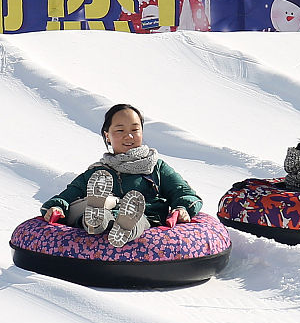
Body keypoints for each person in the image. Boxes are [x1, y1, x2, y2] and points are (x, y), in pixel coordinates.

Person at [41, 104, 202, 247]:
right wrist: (56, 207)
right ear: (107, 136)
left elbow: (184, 192)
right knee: (96, 213)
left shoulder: (155, 167)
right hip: (106, 213)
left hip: (146, 217)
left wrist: (181, 208)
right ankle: (96, 219)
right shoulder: (98, 172)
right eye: (120, 130)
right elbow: (69, 195)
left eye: (134, 130)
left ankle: (123, 225)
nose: (129, 136)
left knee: (136, 219)